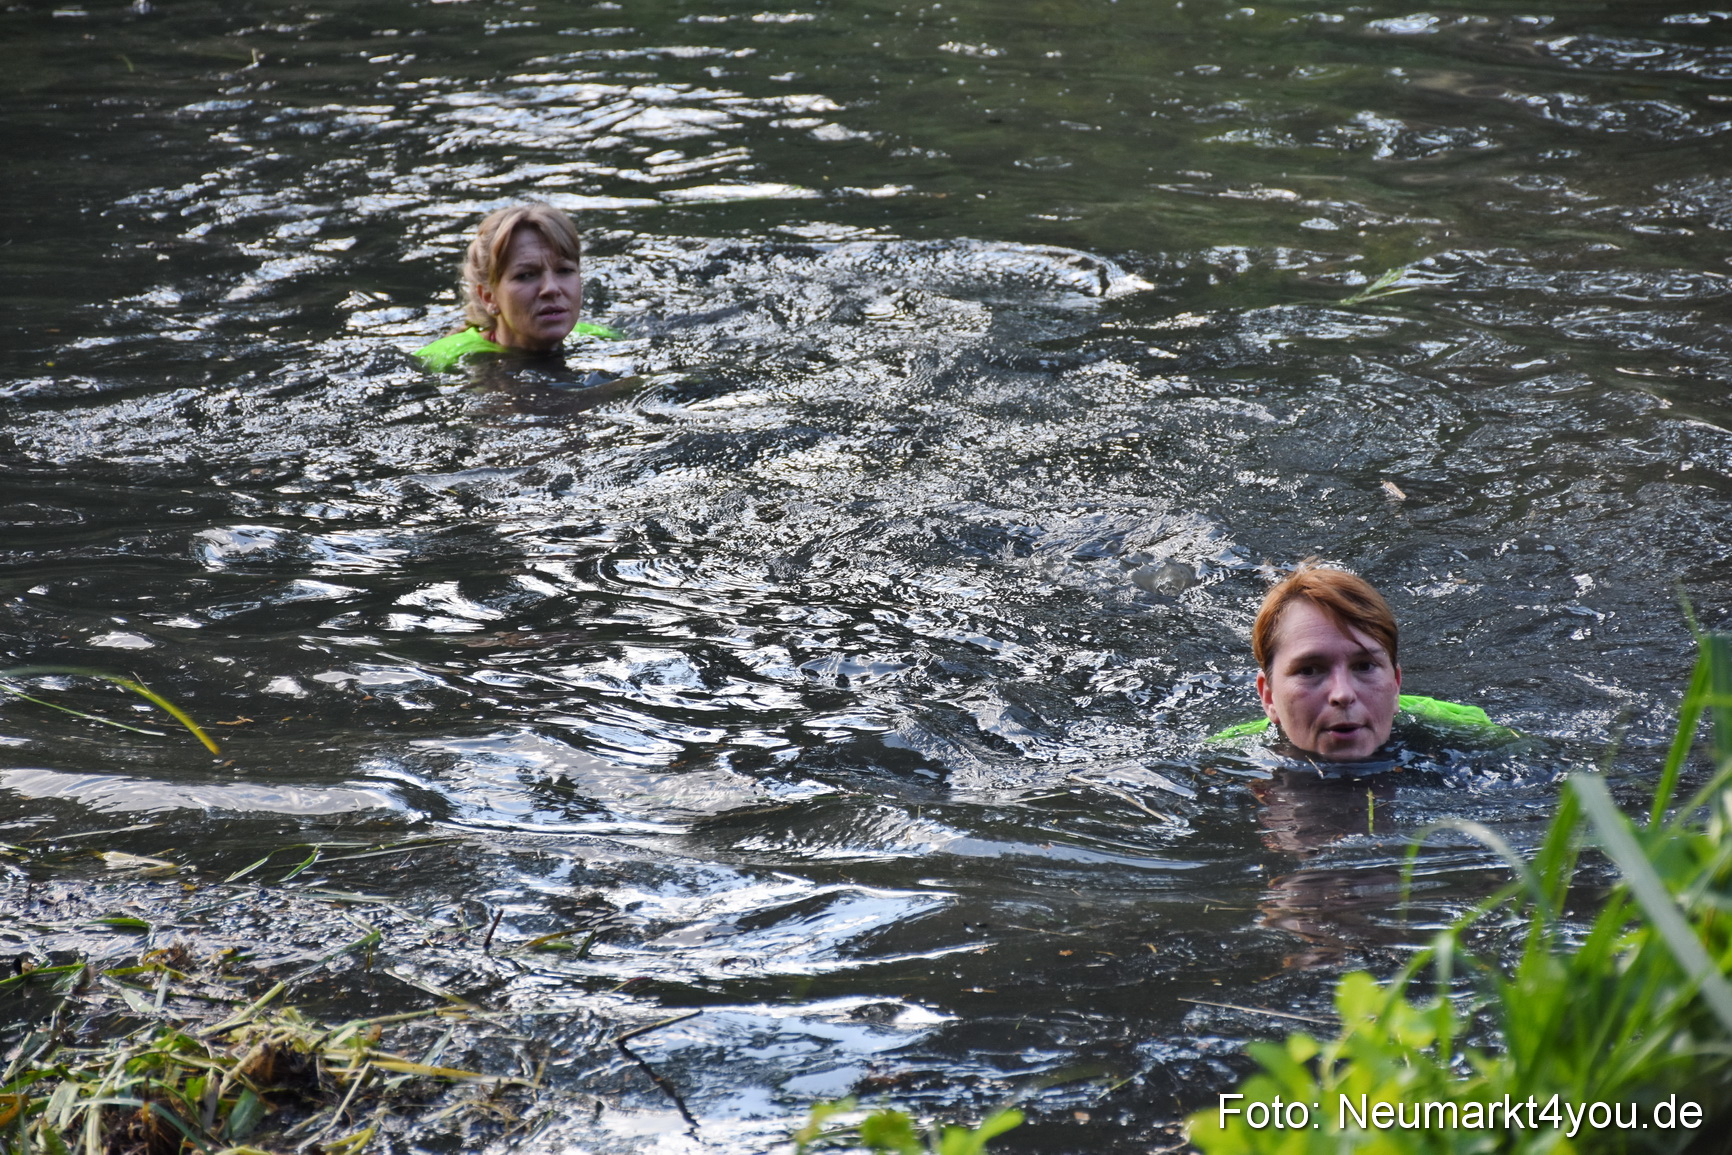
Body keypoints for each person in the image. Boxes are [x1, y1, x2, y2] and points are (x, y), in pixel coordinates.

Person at [1209, 562, 1511, 760]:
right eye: (1310, 670)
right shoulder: (1223, 758)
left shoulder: (1470, 736)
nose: (1343, 694)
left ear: (1395, 684)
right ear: (1269, 696)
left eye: (1364, 666)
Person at [414, 202, 622, 372]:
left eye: (564, 271)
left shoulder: (601, 339)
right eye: (525, 275)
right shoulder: (439, 362)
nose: (551, 288)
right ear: (488, 297)